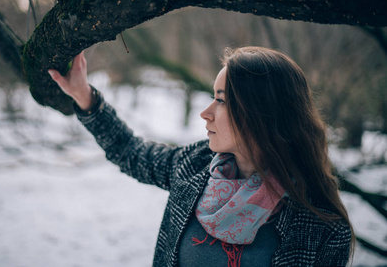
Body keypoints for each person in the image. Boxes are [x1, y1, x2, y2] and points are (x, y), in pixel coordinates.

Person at [48, 46, 354, 267]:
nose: (205, 113)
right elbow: (132, 153)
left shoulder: (322, 228)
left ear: (260, 113)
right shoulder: (195, 166)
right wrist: (84, 96)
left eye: (220, 101)